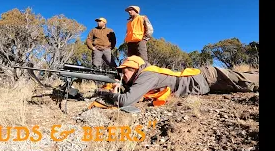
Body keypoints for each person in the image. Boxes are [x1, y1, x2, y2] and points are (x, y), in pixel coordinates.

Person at [102, 55, 259, 108]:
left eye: (124, 71)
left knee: (247, 82)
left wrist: (109, 94)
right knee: (243, 84)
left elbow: (126, 101)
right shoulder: (143, 75)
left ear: (134, 68)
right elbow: (134, 91)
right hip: (205, 83)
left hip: (207, 76)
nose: (122, 74)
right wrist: (120, 87)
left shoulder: (147, 75)